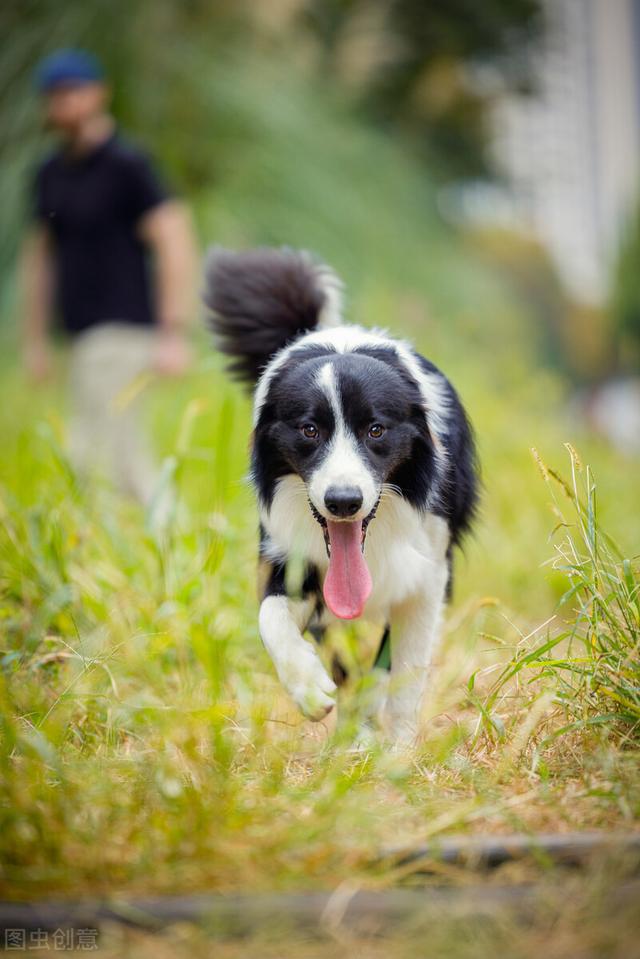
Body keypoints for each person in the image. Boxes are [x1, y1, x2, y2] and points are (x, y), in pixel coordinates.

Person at [21, 49, 197, 503]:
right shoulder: (51, 173)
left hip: (123, 329)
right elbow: (41, 259)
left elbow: (174, 237)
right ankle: (153, 533)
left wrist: (174, 332)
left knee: (101, 451)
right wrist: (35, 339)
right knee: (106, 454)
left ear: (99, 93)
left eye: (73, 91)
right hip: (79, 336)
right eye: (55, 95)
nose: (64, 103)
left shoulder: (127, 165)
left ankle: (165, 530)